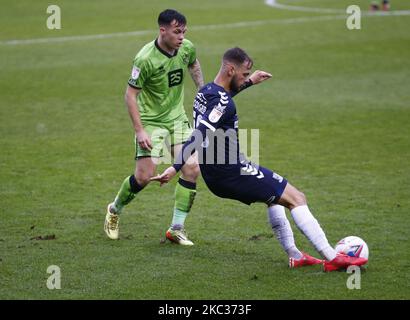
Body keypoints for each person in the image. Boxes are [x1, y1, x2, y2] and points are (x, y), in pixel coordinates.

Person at [150, 47, 368, 271]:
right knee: (296, 197)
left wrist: (249, 82)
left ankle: (295, 255)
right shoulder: (222, 101)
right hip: (233, 172)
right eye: (244, 74)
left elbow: (222, 102)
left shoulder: (205, 92)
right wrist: (175, 167)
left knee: (274, 196)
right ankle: (333, 258)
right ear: (230, 69)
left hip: (216, 173)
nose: (245, 77)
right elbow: (200, 134)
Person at [104, 9, 204, 245]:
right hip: (151, 122)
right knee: (144, 177)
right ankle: (114, 209)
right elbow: (130, 95)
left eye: (184, 32)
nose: (181, 37)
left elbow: (193, 64)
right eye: (177, 32)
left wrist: (202, 89)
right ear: (163, 30)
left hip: (177, 118)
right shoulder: (145, 58)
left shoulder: (187, 47)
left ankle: (176, 228)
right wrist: (139, 130)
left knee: (192, 168)